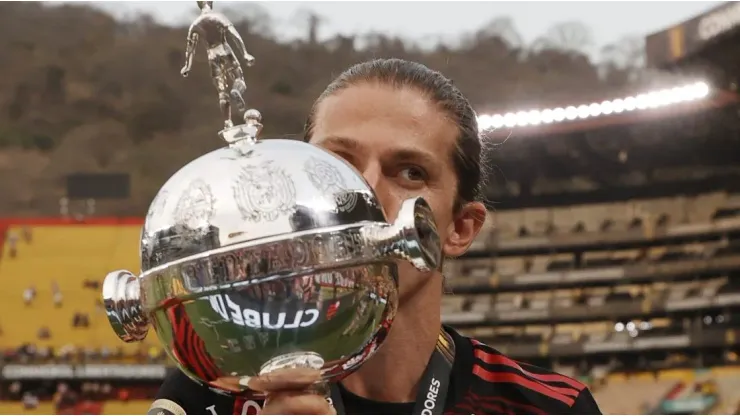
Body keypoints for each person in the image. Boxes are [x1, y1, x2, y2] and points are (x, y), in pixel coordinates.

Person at [150, 58, 602, 415]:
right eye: (335, 164)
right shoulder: (214, 394)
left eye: (410, 172)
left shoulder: (548, 408)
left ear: (460, 228)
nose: (361, 193)